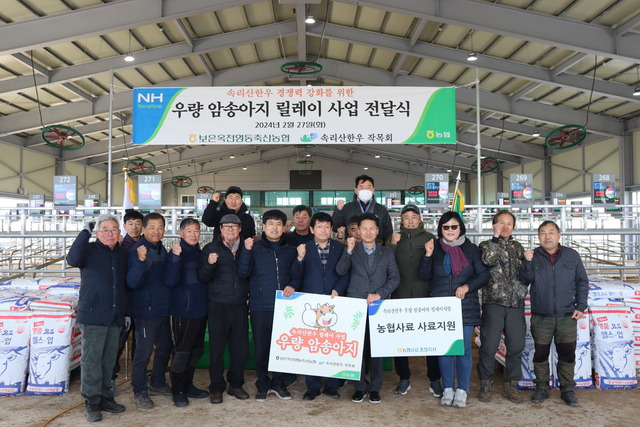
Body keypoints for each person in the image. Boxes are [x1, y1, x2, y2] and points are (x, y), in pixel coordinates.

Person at [418, 211, 489, 408]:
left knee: (464, 349)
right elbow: (423, 275)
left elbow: (483, 275)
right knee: (445, 350)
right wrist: (428, 255)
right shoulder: (435, 248)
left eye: (454, 226)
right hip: (441, 308)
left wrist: (467, 287)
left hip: (465, 306)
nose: (450, 230)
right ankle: (447, 387)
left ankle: (462, 389)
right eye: (446, 227)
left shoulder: (471, 249)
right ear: (441, 229)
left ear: (461, 228)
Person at [520, 220, 588, 407]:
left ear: (559, 235)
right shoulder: (533, 256)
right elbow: (525, 280)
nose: (547, 236)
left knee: (567, 354)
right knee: (540, 354)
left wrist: (581, 306)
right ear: (538, 236)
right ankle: (542, 388)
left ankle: (567, 389)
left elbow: (582, 281)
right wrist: (526, 262)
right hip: (541, 316)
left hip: (567, 316)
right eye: (543, 232)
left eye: (551, 232)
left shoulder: (572, 255)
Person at [66, 215, 127, 422]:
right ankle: (91, 401)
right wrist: (85, 232)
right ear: (98, 232)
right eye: (105, 229)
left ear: (120, 233)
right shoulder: (88, 251)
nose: (110, 233)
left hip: (114, 314)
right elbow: (72, 259)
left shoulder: (121, 253)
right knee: (92, 360)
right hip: (93, 314)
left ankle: (106, 397)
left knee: (109, 360)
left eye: (114, 229)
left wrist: (124, 312)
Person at [336, 213, 400, 404]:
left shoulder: (387, 252)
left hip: (378, 307)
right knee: (356, 350)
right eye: (364, 228)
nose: (368, 232)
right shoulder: (351, 250)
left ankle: (375, 388)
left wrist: (380, 294)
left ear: (378, 231)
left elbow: (395, 278)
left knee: (376, 350)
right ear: (358, 231)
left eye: (372, 228)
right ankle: (359, 387)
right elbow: (340, 271)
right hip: (355, 306)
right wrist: (347, 251)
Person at [237, 209, 299, 401]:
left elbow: (297, 274)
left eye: (278, 224)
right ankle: (263, 383)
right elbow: (242, 273)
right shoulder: (254, 247)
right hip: (260, 305)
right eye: (270, 224)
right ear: (263, 227)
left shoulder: (291, 248)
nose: (274, 227)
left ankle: (278, 382)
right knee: (262, 347)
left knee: (283, 347)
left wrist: (293, 284)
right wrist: (246, 251)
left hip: (285, 306)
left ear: (285, 227)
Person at [290, 212, 350, 400]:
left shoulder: (341, 248)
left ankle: (332, 385)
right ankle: (313, 386)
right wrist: (299, 259)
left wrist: (338, 290)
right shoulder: (303, 247)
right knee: (313, 346)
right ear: (311, 229)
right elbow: (296, 276)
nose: (323, 230)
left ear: (331, 229)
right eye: (319, 227)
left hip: (334, 302)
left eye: (326, 227)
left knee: (334, 345)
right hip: (313, 304)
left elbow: (346, 273)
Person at [386, 204, 442, 398]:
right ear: (401, 220)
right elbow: (385, 264)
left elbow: (437, 268)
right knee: (399, 341)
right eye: (406, 217)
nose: (410, 220)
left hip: (425, 297)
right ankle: (404, 378)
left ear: (420, 219)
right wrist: (392, 244)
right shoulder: (393, 239)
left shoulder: (429, 238)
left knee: (431, 341)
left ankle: (434, 379)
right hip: (399, 297)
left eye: (414, 217)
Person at [198, 214, 251, 405]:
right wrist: (208, 264)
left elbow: (251, 275)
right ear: (220, 229)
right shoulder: (211, 248)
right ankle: (216, 387)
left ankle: (235, 384)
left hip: (239, 304)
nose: (230, 229)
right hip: (218, 305)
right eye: (226, 226)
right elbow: (203, 277)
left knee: (241, 349)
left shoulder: (248, 246)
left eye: (234, 226)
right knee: (216, 349)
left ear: (240, 229)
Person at [477, 210, 527, 403]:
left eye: (509, 223)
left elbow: (526, 272)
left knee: (516, 346)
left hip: (515, 304)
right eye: (500, 223)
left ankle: (511, 386)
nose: (505, 226)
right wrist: (495, 239)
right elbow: (489, 260)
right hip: (493, 303)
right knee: (489, 346)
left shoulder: (518, 247)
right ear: (494, 225)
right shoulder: (486, 245)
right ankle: (486, 384)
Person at [126, 212, 172, 409]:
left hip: (163, 308)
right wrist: (140, 261)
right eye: (152, 227)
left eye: (160, 227)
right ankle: (139, 390)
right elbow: (132, 282)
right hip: (146, 310)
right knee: (143, 352)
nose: (156, 231)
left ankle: (158, 382)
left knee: (165, 347)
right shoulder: (138, 250)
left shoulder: (162, 249)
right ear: (143, 229)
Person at [163, 218, 209, 407]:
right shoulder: (176, 252)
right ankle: (178, 389)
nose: (193, 234)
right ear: (181, 233)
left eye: (196, 230)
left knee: (196, 350)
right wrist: (174, 257)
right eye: (188, 230)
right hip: (183, 311)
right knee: (182, 352)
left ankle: (188, 384)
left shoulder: (200, 252)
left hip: (201, 309)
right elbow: (170, 281)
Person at [112, 209, 144, 385]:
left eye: (138, 223)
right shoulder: (119, 247)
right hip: (125, 302)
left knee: (139, 341)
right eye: (130, 223)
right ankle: (110, 376)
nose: (134, 227)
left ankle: (137, 374)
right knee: (119, 341)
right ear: (124, 226)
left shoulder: (147, 245)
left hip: (141, 301)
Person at [332, 175, 393, 243]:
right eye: (362, 187)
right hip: (353, 247)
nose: (365, 190)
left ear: (373, 190)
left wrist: (385, 249)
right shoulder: (347, 208)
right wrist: (338, 211)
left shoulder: (381, 209)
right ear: (356, 190)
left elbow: (388, 232)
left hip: (376, 248)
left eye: (368, 187)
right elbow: (335, 227)